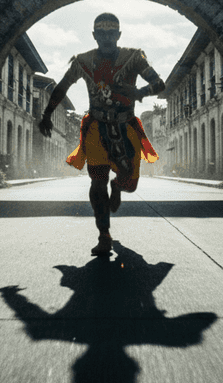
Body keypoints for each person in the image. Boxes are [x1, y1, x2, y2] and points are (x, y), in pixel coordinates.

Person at [38, 13, 165, 255]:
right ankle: (104, 235)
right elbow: (62, 86)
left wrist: (138, 92)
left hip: (126, 127)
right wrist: (46, 114)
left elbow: (160, 84)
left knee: (130, 182)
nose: (106, 38)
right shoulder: (82, 62)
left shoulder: (134, 58)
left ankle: (117, 186)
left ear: (118, 35)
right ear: (94, 36)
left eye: (111, 33)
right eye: (101, 34)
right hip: (96, 128)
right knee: (97, 182)